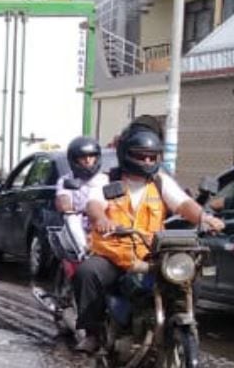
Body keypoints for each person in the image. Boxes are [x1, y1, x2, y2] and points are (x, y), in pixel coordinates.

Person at [73, 126, 223, 353]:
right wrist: (102, 219)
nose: (146, 160)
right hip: (113, 255)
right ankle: (92, 333)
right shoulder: (107, 179)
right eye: (140, 155)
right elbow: (94, 205)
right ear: (126, 154)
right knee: (87, 273)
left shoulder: (160, 182)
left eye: (151, 157)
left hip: (149, 253)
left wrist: (205, 218)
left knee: (188, 276)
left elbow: (183, 204)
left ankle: (176, 321)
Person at [53, 135, 104, 257]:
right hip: (76, 231)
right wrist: (69, 208)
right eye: (83, 157)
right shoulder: (66, 180)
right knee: (71, 218)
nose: (88, 160)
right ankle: (85, 253)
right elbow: (63, 203)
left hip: (101, 227)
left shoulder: (104, 179)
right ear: (74, 159)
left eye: (91, 156)